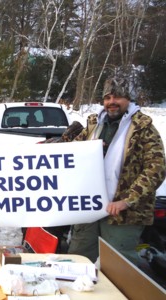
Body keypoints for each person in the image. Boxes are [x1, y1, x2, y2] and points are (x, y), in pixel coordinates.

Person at [67, 76, 166, 265]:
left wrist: (127, 201)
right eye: (107, 97)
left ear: (129, 99)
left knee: (118, 266)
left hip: (123, 212)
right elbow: (70, 153)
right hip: (89, 206)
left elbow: (156, 169)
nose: (111, 102)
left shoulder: (143, 128)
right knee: (78, 260)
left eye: (118, 97)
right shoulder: (94, 125)